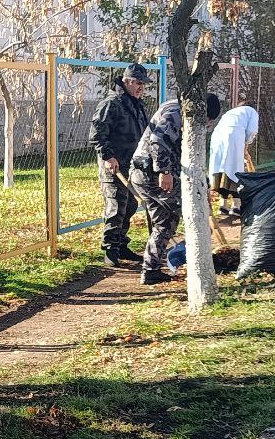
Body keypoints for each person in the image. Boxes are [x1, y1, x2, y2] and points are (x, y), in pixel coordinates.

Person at [130, 93, 221, 285]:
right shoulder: (176, 112)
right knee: (195, 212)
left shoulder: (184, 110)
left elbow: (185, 152)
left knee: (165, 223)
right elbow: (158, 141)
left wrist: (202, 182)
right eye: (207, 119)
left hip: (149, 174)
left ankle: (150, 270)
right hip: (152, 175)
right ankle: (191, 261)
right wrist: (164, 171)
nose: (207, 124)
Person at [90, 62, 151, 268]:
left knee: (131, 205)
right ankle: (110, 249)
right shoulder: (112, 103)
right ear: (127, 81)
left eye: (144, 84)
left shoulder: (136, 104)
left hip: (131, 165)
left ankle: (121, 244)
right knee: (116, 206)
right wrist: (108, 156)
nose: (142, 88)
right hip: (114, 165)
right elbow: (97, 134)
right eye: (138, 83)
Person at [208, 104, 259, 217]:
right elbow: (252, 130)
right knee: (235, 170)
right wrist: (246, 145)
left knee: (221, 170)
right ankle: (236, 206)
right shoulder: (252, 111)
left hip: (218, 135)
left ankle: (223, 205)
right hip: (234, 135)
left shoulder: (232, 112)